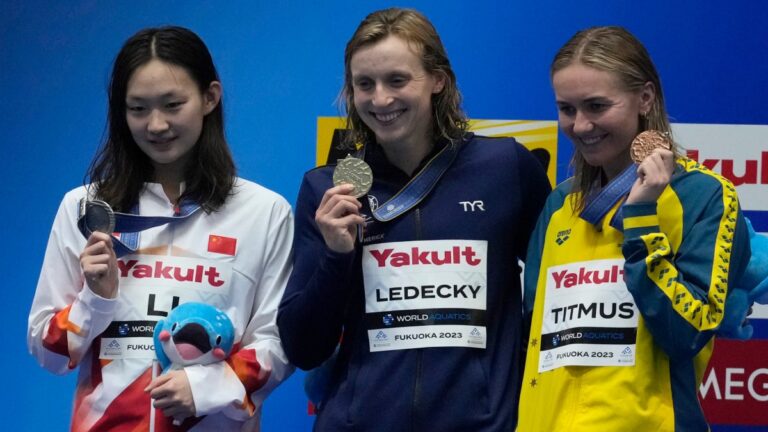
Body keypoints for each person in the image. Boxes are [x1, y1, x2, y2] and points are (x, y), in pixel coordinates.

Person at [277, 7, 551, 431]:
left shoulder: (506, 168)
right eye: (363, 84)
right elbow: (303, 349)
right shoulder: (328, 189)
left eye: (398, 80)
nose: (380, 99)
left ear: (437, 80)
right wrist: (335, 256)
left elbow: (550, 296)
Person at [27, 26, 293, 431]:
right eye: (138, 108)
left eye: (173, 104)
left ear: (210, 97)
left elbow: (277, 341)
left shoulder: (264, 211)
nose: (156, 125)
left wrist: (206, 386)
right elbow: (48, 353)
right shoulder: (85, 210)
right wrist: (93, 301)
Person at [517, 26, 750, 431]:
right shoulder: (560, 205)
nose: (581, 125)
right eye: (567, 108)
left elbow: (685, 333)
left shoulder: (704, 196)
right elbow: (533, 338)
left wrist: (641, 217)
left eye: (596, 106)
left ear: (644, 97)